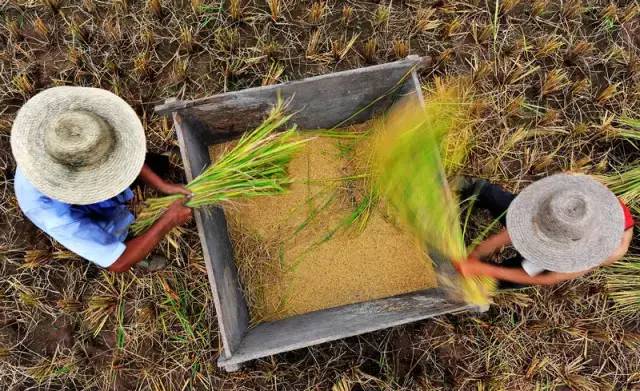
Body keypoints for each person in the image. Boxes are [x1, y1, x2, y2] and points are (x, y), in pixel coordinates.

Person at [11, 86, 192, 273]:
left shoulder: (74, 124)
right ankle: (135, 255)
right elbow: (118, 264)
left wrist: (161, 185)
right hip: (77, 212)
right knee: (116, 236)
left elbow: (124, 155)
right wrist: (168, 221)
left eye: (109, 160)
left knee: (154, 164)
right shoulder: (58, 217)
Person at [455, 174, 634, 289]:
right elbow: (522, 226)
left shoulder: (599, 252)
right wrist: (479, 251)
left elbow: (548, 277)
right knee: (507, 206)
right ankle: (473, 188)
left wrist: (483, 269)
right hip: (563, 211)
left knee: (512, 276)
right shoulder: (572, 199)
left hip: (578, 244)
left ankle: (476, 282)